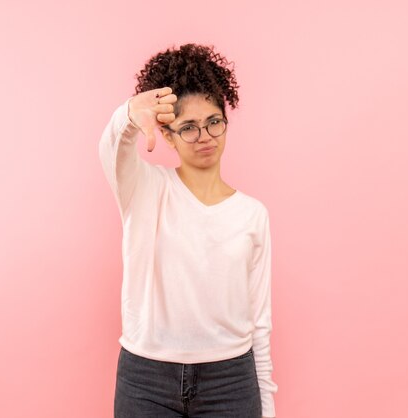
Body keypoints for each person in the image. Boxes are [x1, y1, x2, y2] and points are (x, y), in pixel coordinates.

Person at [98, 43, 278, 418]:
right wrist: (129, 115)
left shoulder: (252, 215)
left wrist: (267, 404)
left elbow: (260, 322)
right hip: (146, 379)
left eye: (214, 121)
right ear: (168, 135)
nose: (205, 136)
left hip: (231, 379)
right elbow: (113, 149)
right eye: (188, 128)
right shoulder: (144, 189)